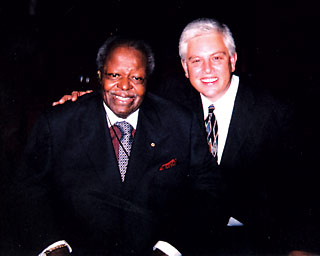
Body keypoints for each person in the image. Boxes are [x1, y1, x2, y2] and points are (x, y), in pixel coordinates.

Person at [55, 18, 312, 255]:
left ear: (233, 60)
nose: (207, 69)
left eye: (217, 58)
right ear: (184, 66)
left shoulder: (275, 111)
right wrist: (83, 101)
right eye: (196, 61)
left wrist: (301, 247)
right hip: (182, 236)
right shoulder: (170, 98)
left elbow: (302, 187)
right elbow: (124, 95)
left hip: (252, 237)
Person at [16, 35, 225, 256]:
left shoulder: (180, 123)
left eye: (136, 78)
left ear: (148, 80)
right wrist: (53, 247)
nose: (124, 86)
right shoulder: (58, 123)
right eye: (114, 75)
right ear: (99, 76)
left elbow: (208, 192)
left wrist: (170, 248)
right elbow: (28, 191)